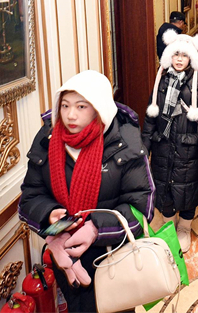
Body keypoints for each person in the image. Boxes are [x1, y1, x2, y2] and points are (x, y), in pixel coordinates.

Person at [19, 70, 154, 313]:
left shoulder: (125, 142)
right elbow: (30, 196)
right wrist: (51, 219)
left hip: (112, 259)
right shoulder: (47, 139)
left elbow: (141, 207)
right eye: (65, 105)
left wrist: (95, 228)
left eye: (81, 106)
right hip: (65, 257)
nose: (71, 115)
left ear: (99, 107)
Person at [143, 32, 198, 253]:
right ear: (169, 57)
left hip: (188, 151)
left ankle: (185, 226)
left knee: (188, 189)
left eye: (185, 55)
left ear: (191, 59)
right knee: (164, 187)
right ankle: (168, 223)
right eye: (176, 55)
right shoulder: (160, 83)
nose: (180, 59)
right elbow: (150, 116)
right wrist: (145, 145)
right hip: (163, 146)